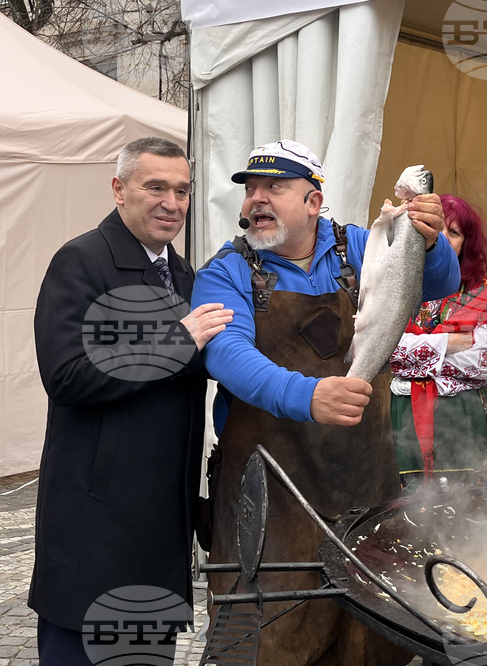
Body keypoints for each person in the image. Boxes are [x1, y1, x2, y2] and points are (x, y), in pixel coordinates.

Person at [191, 140, 460, 666]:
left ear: (314, 201)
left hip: (365, 491)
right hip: (267, 501)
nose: (256, 200)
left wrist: (430, 242)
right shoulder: (225, 271)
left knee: (369, 640)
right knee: (264, 642)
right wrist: (308, 395)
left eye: (275, 187)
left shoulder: (360, 246)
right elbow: (225, 354)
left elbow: (439, 282)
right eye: (251, 190)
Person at [29, 137, 232, 664]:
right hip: (96, 525)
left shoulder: (186, 275)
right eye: (156, 187)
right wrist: (175, 343)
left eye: (183, 190)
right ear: (119, 189)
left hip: (160, 526)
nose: (172, 202)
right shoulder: (81, 261)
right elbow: (67, 375)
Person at [389, 194, 487, 492]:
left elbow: (484, 362)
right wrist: (450, 343)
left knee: (472, 512)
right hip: (403, 422)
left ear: (466, 244)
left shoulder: (480, 291)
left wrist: (416, 348)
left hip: (465, 421)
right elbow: (384, 352)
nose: (441, 238)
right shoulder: (394, 285)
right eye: (435, 227)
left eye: (453, 233)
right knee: (408, 516)